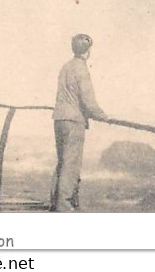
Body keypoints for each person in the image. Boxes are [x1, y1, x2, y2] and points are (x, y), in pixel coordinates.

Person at [50, 33, 110, 212]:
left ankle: (56, 201)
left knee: (62, 162)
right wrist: (102, 116)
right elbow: (88, 99)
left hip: (59, 118)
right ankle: (65, 206)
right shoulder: (81, 68)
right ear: (88, 51)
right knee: (71, 164)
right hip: (74, 120)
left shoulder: (66, 67)